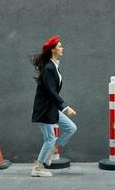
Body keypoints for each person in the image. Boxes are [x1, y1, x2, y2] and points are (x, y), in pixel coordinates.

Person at [30, 35, 77, 177]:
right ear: (53, 50)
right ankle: (37, 168)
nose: (62, 48)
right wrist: (65, 106)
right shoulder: (48, 68)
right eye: (59, 46)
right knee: (50, 139)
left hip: (51, 108)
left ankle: (51, 151)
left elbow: (52, 91)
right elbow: (51, 91)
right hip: (44, 109)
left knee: (71, 128)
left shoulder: (53, 66)